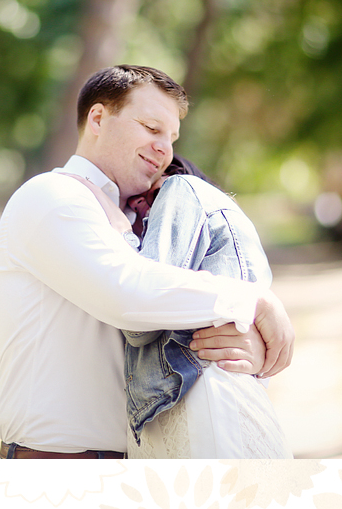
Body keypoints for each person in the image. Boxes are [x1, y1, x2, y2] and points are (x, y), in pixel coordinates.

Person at [0, 64, 295, 458]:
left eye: (171, 138)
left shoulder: (147, 221)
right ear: (98, 119)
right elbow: (128, 293)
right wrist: (250, 300)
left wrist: (240, 341)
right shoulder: (52, 196)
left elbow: (170, 320)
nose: (165, 148)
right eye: (152, 128)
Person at [73, 156, 291, 458]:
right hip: (212, 408)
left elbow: (140, 321)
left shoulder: (180, 188)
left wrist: (122, 233)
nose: (142, 218)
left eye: (146, 203)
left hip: (205, 410)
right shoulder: (225, 232)